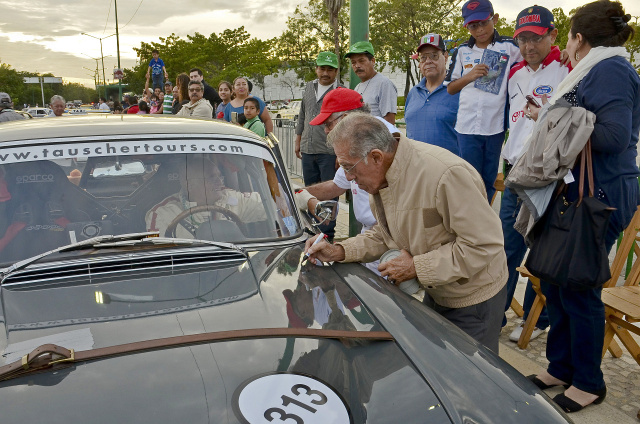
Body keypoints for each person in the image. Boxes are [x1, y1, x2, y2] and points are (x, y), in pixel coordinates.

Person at [305, 113, 508, 352]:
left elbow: (484, 244)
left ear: (376, 157)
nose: (348, 178)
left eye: (349, 167)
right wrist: (339, 250)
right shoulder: (383, 173)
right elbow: (384, 234)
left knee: (470, 371)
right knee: (435, 361)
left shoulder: (445, 174)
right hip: (439, 289)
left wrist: (416, 267)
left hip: (473, 299)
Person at [525, 1, 639, 413]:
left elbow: (613, 136)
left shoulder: (610, 70)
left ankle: (589, 382)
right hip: (579, 192)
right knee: (556, 282)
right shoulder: (595, 69)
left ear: (578, 39)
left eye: (570, 39)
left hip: (599, 195)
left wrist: (555, 119)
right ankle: (561, 367)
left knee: (578, 286)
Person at [500, 6, 568, 343]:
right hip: (514, 171)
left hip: (547, 175)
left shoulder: (567, 69)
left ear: (552, 35)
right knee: (505, 248)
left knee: (541, 252)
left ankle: (535, 319)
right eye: (523, 39)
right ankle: (496, 311)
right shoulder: (515, 73)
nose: (529, 46)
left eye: (536, 38)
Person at [295, 87, 399, 274]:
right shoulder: (357, 139)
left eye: (328, 124)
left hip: (390, 241)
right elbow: (337, 185)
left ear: (345, 119)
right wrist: (296, 194)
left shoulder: (385, 142)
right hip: (373, 235)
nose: (326, 131)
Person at [445, 0, 522, 200]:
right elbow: (450, 88)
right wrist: (470, 76)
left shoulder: (510, 47)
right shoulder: (462, 51)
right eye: (473, 26)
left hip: (494, 126)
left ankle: (483, 213)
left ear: (494, 19)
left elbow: (534, 58)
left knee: (489, 179)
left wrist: (563, 53)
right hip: (466, 127)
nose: (479, 30)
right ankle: (469, 215)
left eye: (483, 23)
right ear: (466, 27)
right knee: (469, 179)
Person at [146, 156, 266, 238]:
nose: (220, 182)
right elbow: (158, 255)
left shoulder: (229, 198)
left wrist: (274, 196)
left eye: (219, 176)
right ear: (189, 185)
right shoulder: (162, 214)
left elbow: (269, 204)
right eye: (212, 177)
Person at [295, 51, 342, 241]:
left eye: (330, 69)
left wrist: (339, 153)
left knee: (330, 194)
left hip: (328, 152)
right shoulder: (309, 87)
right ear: (316, 69)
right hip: (308, 149)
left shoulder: (340, 91)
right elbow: (302, 115)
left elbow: (343, 124)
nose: (325, 73)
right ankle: (313, 231)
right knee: (310, 192)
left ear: (336, 71)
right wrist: (298, 139)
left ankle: (328, 235)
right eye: (322, 68)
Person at [405, 34, 460, 155]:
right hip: (415, 165)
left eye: (434, 56)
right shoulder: (413, 93)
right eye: (423, 57)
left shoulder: (458, 91)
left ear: (445, 57)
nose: (428, 61)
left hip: (449, 165)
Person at [345, 41, 398, 124]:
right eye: (353, 62)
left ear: (372, 61)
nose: (357, 66)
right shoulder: (358, 87)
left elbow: (389, 122)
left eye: (361, 61)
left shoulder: (384, 84)